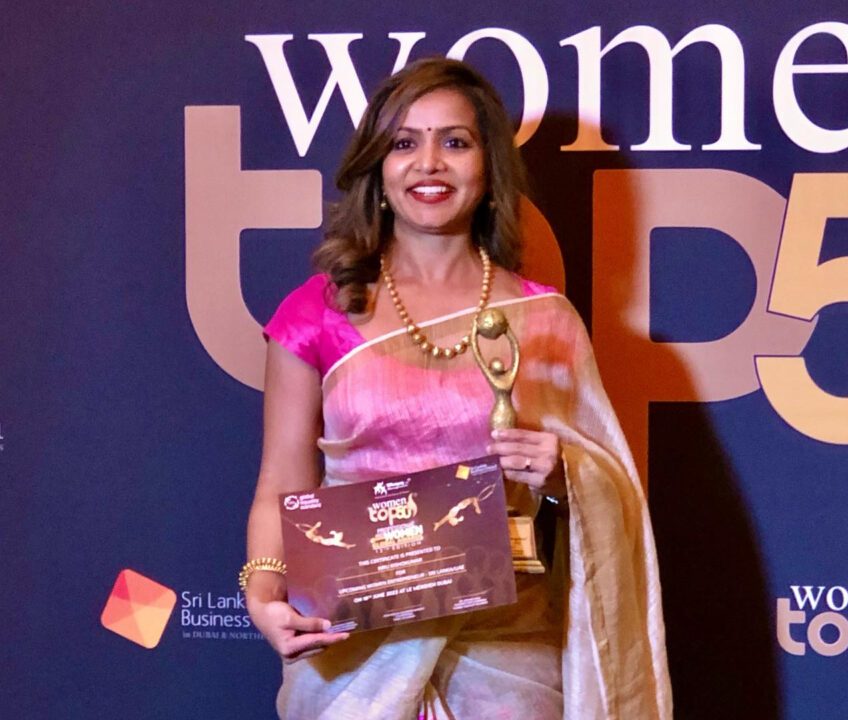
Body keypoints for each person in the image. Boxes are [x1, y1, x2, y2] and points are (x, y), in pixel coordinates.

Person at [243, 57, 672, 720]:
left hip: (508, 659)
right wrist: (262, 592)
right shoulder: (317, 313)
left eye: (455, 141)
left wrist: (566, 475)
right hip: (354, 660)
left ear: (488, 165)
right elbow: (281, 483)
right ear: (378, 168)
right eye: (404, 143)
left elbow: (609, 486)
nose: (429, 164)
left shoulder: (545, 321)